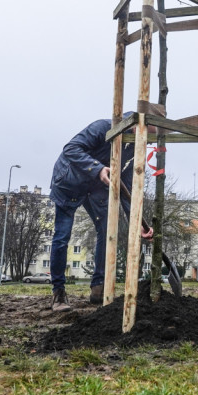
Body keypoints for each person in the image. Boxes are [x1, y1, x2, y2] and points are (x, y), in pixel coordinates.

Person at [48, 115, 153, 312]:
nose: (148, 139)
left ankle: (98, 287)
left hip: (97, 187)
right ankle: (58, 292)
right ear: (139, 124)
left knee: (107, 231)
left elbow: (126, 188)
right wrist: (96, 169)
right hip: (70, 181)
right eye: (149, 132)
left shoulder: (134, 147)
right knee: (62, 236)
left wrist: (136, 222)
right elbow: (70, 149)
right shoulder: (103, 127)